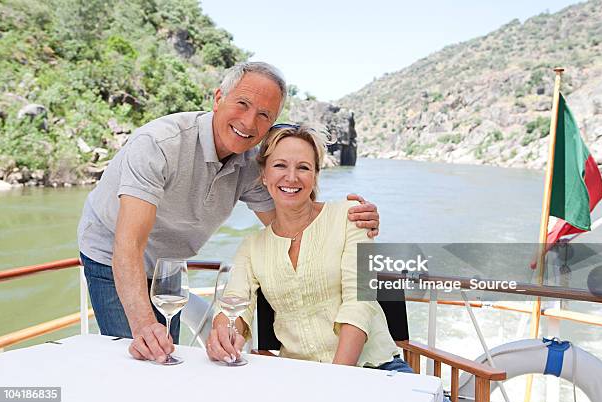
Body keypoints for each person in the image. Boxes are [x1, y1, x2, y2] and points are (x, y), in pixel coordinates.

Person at [77, 61, 380, 364]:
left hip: (169, 263)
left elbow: (292, 230)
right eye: (243, 104)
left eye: (264, 115)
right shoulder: (159, 145)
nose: (249, 122)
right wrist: (144, 326)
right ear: (219, 98)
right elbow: (128, 245)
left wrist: (346, 219)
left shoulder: (253, 162)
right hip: (112, 251)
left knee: (166, 353)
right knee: (143, 355)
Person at [206, 125, 455, 402]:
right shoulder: (252, 247)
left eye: (303, 167)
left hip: (376, 370)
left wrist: (336, 382)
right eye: (279, 165)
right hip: (299, 379)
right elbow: (233, 305)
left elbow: (358, 303)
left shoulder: (351, 218)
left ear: (315, 175)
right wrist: (225, 334)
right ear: (263, 175)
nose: (291, 177)